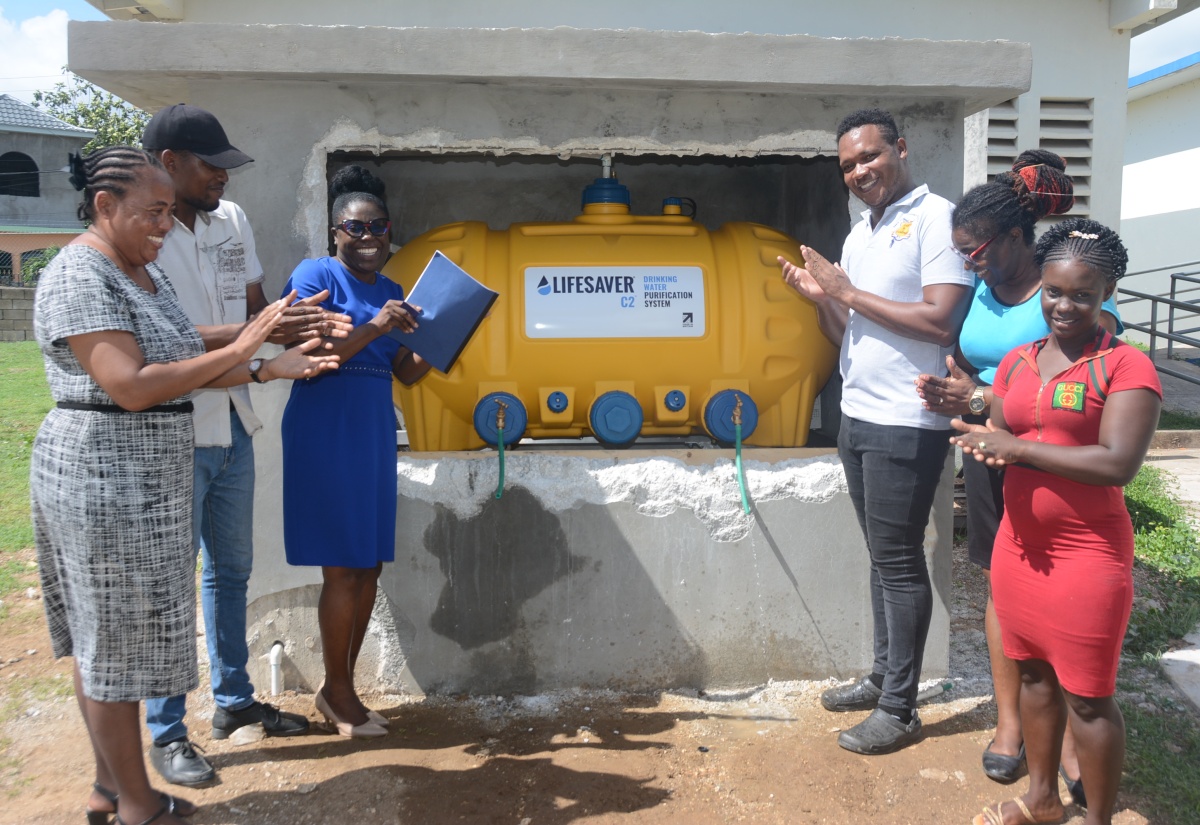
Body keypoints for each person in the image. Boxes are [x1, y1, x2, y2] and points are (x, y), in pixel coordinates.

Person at [31, 147, 338, 825]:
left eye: (170, 211)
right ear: (105, 206)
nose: (166, 225)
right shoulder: (78, 275)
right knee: (107, 642)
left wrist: (268, 358)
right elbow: (131, 383)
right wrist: (242, 349)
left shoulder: (139, 272)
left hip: (140, 476)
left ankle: (109, 787)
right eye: (154, 211)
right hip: (101, 474)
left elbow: (177, 349)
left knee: (107, 638)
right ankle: (139, 803)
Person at [140, 104, 353, 786]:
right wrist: (252, 336)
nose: (223, 181)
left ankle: (232, 703)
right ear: (170, 164)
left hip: (232, 415)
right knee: (169, 586)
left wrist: (313, 325)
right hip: (172, 425)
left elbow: (260, 307)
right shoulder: (146, 232)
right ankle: (166, 730)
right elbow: (160, 337)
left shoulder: (231, 222)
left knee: (229, 570)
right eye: (211, 167)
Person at [914, 151, 1121, 792]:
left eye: (974, 251)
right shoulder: (980, 290)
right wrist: (963, 389)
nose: (966, 264)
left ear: (1013, 238)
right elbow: (971, 359)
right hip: (991, 453)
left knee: (1064, 593)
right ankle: (1014, 724)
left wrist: (989, 408)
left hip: (1064, 464)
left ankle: (1064, 738)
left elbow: (1097, 377)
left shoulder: (1065, 291)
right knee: (1005, 586)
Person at [952, 219, 1160, 825]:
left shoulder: (1126, 367)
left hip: (1086, 553)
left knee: (1089, 699)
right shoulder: (1019, 360)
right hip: (1021, 549)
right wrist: (971, 411)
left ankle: (1095, 819)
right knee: (1035, 677)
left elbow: (1116, 463)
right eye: (1053, 292)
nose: (1064, 306)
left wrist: (1017, 451)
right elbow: (1011, 418)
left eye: (1082, 294)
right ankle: (1042, 802)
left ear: (1107, 295)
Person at [778, 108, 974, 754]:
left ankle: (901, 706)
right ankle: (883, 675)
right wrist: (824, 299)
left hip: (906, 420)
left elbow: (942, 319)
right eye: (848, 166)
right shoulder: (861, 234)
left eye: (869, 156)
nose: (859, 171)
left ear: (901, 149)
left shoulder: (937, 219)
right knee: (882, 558)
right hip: (858, 415)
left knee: (898, 560)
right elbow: (848, 332)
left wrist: (849, 293)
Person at [280, 166, 431, 737]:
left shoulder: (392, 292)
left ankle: (342, 689)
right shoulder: (315, 273)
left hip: (371, 427)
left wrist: (447, 340)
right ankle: (337, 693)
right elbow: (311, 346)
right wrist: (377, 324)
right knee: (342, 567)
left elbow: (406, 372)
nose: (369, 236)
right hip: (326, 422)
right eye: (356, 226)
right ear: (334, 232)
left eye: (379, 226)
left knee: (367, 565)